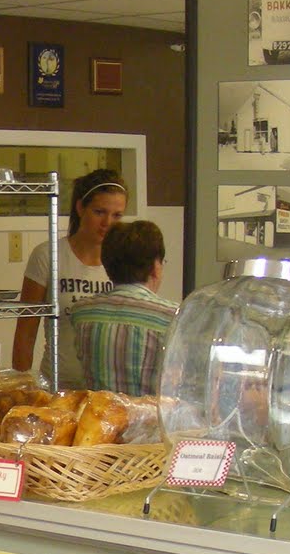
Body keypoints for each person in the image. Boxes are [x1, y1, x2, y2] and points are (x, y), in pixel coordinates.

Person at [12, 167, 128, 388]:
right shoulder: (48, 255)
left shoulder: (126, 261)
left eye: (117, 215)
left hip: (108, 391)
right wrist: (22, 389)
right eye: (99, 212)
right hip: (57, 386)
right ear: (80, 208)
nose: (107, 223)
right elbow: (26, 332)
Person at [68, 219, 178, 395]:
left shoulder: (82, 311)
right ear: (155, 267)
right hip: (148, 420)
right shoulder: (172, 316)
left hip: (98, 418)